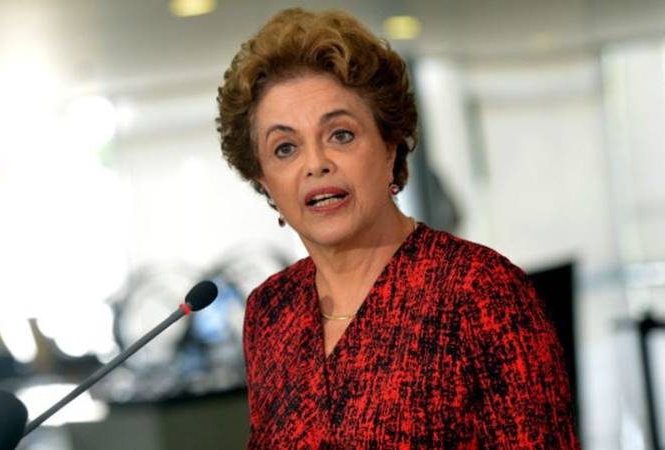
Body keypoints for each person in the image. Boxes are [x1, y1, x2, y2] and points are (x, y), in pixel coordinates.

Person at [216, 8, 580, 449]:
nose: (316, 164)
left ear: (390, 146)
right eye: (285, 148)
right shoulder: (271, 312)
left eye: (340, 135)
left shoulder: (481, 291)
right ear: (263, 180)